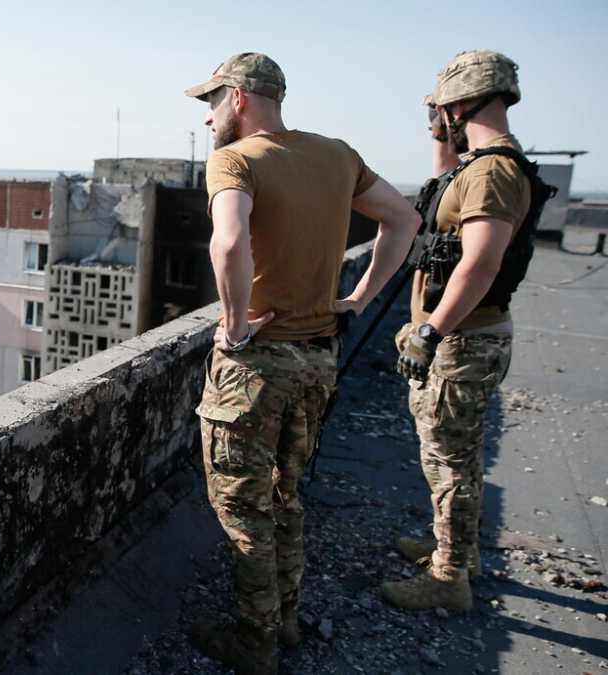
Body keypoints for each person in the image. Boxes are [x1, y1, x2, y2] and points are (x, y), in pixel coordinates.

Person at [185, 52, 420, 674]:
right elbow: (405, 219)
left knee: (243, 511)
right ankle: (286, 620)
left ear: (237, 97)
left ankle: (255, 644)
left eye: (210, 103)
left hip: (256, 367)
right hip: (319, 358)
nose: (208, 119)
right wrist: (359, 299)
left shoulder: (233, 160)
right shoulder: (338, 154)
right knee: (289, 496)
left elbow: (229, 239)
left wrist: (233, 326)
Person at [383, 50, 550, 612]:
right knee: (454, 456)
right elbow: (439, 200)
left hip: (463, 340)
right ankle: (454, 549)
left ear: (459, 102)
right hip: (465, 336)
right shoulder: (479, 165)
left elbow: (479, 260)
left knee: (449, 461)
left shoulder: (494, 171)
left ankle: (449, 578)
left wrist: (431, 330)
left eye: (444, 109)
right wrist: (440, 133)